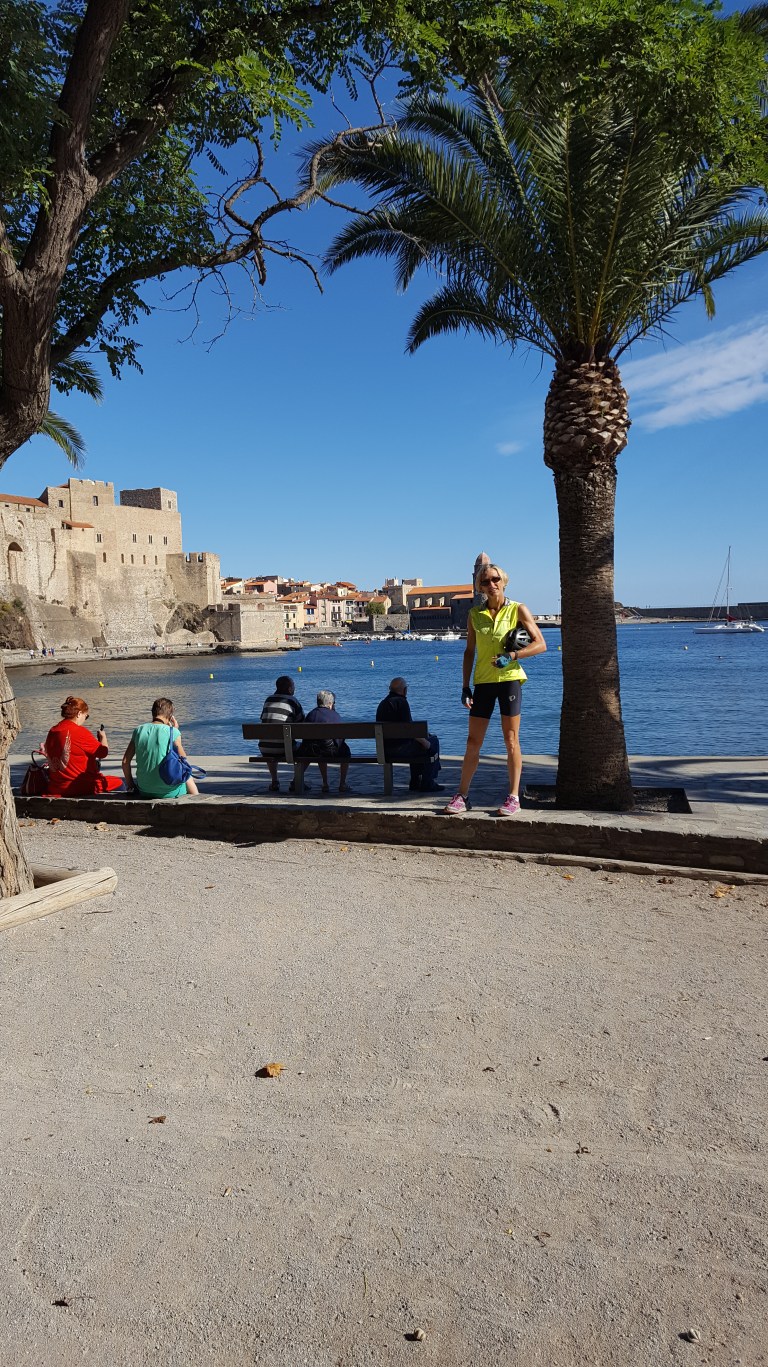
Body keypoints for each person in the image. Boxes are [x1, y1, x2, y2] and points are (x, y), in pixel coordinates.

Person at [444, 563, 545, 816]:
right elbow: (469, 652)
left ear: (504, 581)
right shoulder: (474, 615)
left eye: (496, 579)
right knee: (472, 741)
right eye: (486, 581)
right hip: (483, 683)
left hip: (509, 679)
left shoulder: (518, 609)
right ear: (480, 586)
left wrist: (512, 655)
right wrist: (465, 687)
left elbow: (540, 644)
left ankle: (513, 797)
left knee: (511, 740)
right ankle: (462, 796)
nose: (492, 585)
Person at [44, 695, 124, 797]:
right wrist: (103, 738)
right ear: (79, 714)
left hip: (56, 786)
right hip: (78, 786)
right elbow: (103, 752)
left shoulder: (53, 730)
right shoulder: (79, 731)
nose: (85, 720)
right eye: (86, 716)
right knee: (119, 783)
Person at [122, 697, 199, 798]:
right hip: (170, 792)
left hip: (144, 790)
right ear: (170, 716)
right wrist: (174, 730)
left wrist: (131, 784)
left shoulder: (139, 730)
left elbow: (125, 762)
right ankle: (196, 800)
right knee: (187, 776)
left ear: (153, 713)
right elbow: (183, 759)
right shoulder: (173, 732)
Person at [376, 677, 442, 792]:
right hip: (400, 749)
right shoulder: (402, 702)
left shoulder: (382, 704)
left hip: (385, 749)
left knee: (421, 743)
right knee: (433, 742)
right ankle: (428, 782)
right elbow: (410, 730)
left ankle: (415, 781)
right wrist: (426, 742)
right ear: (404, 690)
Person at [298, 689, 351, 794]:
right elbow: (340, 739)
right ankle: (342, 783)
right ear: (330, 704)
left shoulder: (311, 715)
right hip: (330, 751)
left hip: (312, 751)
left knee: (318, 748)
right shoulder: (335, 716)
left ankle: (325, 783)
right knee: (346, 751)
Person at [259, 675, 305, 792]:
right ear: (289, 689)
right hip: (284, 748)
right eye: (293, 686)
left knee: (272, 741)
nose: (294, 688)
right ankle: (296, 781)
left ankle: (275, 781)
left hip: (265, 748)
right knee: (308, 749)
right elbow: (303, 724)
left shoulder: (268, 700)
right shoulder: (292, 701)